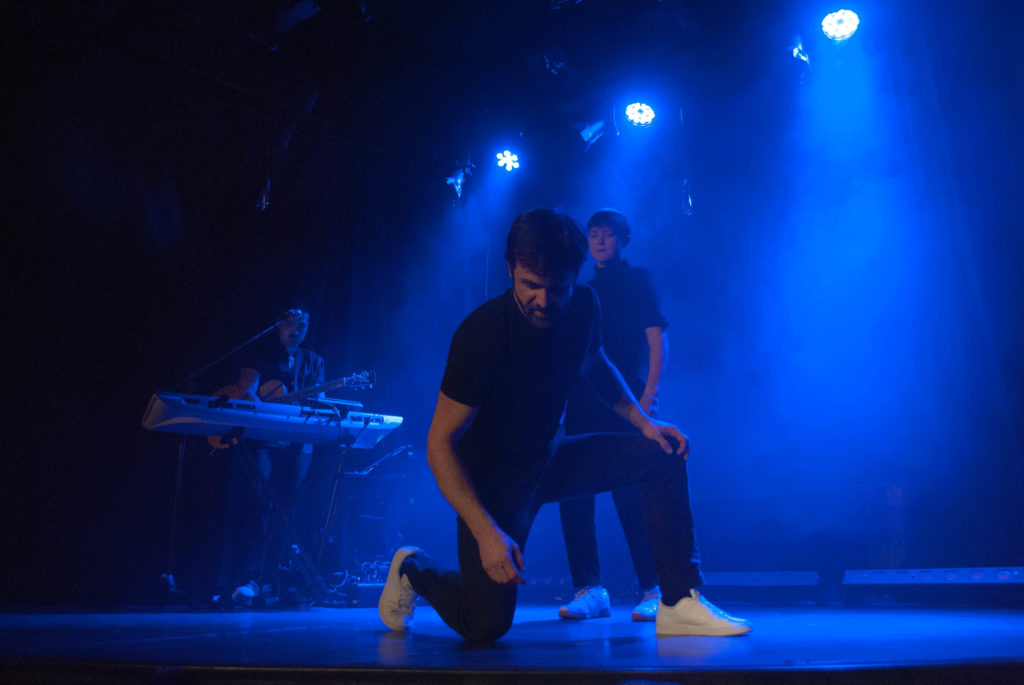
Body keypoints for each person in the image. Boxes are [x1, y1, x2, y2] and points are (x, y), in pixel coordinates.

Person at [378, 209, 750, 642]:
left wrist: (644, 422)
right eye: (530, 286)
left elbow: (596, 365)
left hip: (550, 458)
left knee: (662, 451)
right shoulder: (481, 335)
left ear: (575, 276)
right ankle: (412, 567)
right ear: (510, 269)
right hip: (495, 483)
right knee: (484, 626)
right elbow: (440, 443)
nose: (543, 300)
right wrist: (485, 531)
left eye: (557, 289)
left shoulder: (585, 305)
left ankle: (680, 602)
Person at [557, 209, 666, 622]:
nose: (600, 241)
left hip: (628, 401)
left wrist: (650, 393)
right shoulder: (581, 290)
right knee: (573, 492)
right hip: (583, 401)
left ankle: (653, 587)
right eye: (594, 234)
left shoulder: (638, 280)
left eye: (608, 234)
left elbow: (657, 338)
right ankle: (589, 588)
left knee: (630, 492)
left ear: (623, 239)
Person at [218, 307, 327, 605]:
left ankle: (274, 578)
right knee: (265, 505)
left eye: (301, 326)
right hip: (268, 441)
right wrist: (267, 410)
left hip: (300, 443)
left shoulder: (314, 360)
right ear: (279, 327)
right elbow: (247, 391)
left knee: (289, 507)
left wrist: (312, 404)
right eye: (290, 324)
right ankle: (255, 576)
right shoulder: (261, 356)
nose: (295, 330)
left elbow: (319, 401)